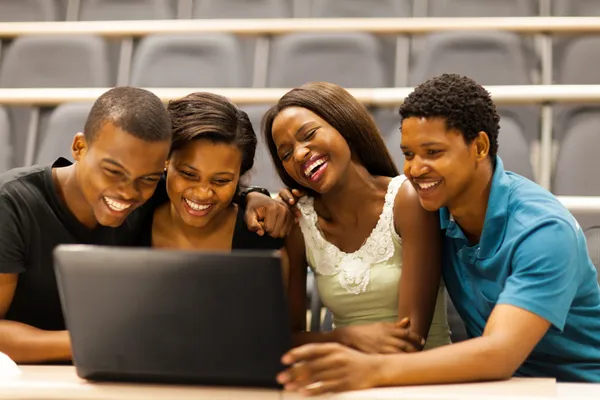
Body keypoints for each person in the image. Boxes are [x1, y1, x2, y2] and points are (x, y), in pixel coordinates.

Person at [275, 74, 600, 395]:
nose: (415, 169)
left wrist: (371, 370)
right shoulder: (434, 209)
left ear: (480, 147)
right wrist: (259, 201)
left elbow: (499, 354)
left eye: (433, 152)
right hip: (495, 387)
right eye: (409, 154)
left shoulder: (543, 230)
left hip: (575, 388)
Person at [0, 87, 291, 364]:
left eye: (148, 178)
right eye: (113, 172)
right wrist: (114, 339)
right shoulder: (13, 202)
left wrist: (255, 197)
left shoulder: (151, 192)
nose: (127, 192)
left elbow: (204, 188)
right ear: (79, 147)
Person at [263, 82, 450, 356]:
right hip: (344, 378)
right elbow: (287, 338)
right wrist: (346, 337)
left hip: (421, 379)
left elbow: (410, 340)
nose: (300, 154)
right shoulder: (299, 220)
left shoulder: (407, 199)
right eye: (287, 154)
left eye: (309, 134)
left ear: (344, 125)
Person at [134, 92, 286, 253]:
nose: (202, 193)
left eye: (221, 180)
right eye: (189, 174)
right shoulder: (131, 221)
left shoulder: (262, 236)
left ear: (239, 174)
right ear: (165, 159)